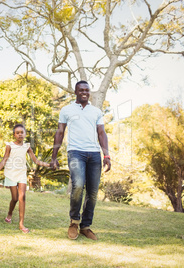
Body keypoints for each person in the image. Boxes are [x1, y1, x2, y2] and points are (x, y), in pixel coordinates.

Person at [50, 80, 111, 241]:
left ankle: (85, 226)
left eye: (87, 90)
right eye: (81, 90)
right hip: (76, 152)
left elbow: (102, 134)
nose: (84, 92)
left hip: (94, 154)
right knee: (78, 185)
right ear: (76, 92)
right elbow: (60, 132)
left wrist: (106, 155)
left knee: (92, 192)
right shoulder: (67, 110)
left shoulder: (96, 111)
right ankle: (74, 222)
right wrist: (54, 157)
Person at [0, 124, 50, 233]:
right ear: (14, 135)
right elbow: (4, 160)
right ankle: (10, 213)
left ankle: (21, 224)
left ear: (25, 134)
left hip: (21, 174)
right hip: (10, 173)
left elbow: (36, 161)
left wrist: (48, 165)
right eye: (17, 133)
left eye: (22, 132)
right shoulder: (9, 146)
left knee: (22, 196)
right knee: (15, 198)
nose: (20, 134)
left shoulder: (27, 146)